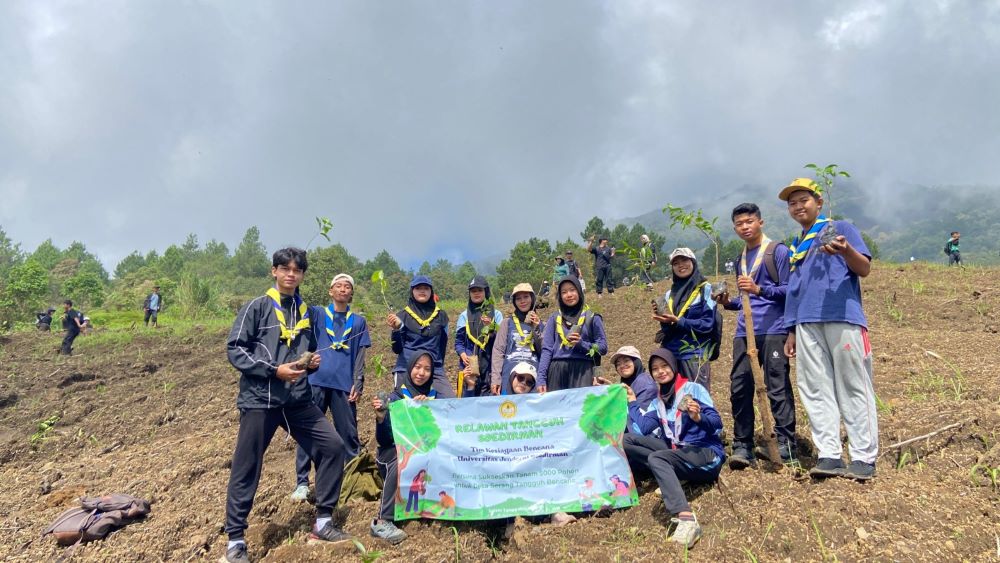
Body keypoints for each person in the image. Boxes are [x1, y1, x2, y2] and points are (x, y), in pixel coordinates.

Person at [222, 248, 351, 563]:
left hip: (296, 399)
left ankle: (323, 522)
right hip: (261, 399)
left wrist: (311, 363)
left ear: (302, 275)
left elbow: (306, 348)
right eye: (285, 269)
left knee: (333, 446)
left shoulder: (305, 310)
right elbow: (235, 349)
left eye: (297, 270)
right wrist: (273, 370)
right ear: (274, 271)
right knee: (247, 465)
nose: (291, 274)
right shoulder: (257, 307)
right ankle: (235, 541)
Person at [780, 178, 877, 481]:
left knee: (853, 384)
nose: (798, 207)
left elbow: (864, 268)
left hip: (842, 316)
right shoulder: (797, 245)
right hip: (806, 322)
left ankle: (863, 457)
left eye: (804, 200)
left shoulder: (841, 228)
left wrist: (846, 251)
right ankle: (829, 454)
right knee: (815, 387)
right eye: (792, 203)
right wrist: (791, 329)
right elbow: (795, 289)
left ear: (819, 202)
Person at [715, 203, 797, 467]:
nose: (745, 227)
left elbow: (790, 290)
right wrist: (728, 303)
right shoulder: (740, 258)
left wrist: (759, 289)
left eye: (749, 221)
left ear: (760, 222)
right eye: (739, 224)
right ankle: (743, 445)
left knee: (777, 386)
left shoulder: (778, 251)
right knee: (740, 387)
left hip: (774, 329)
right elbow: (746, 298)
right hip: (745, 331)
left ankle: (786, 444)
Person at [622, 348, 724, 549]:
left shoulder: (693, 390)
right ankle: (674, 474)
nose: (660, 371)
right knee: (627, 440)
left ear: (674, 366)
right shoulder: (658, 400)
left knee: (658, 458)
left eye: (664, 366)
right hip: (678, 452)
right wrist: (633, 401)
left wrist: (698, 418)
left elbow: (717, 423)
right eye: (655, 369)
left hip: (705, 454)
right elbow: (644, 428)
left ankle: (687, 520)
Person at [291, 273, 371, 501]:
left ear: (351, 293)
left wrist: (358, 383)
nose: (343, 289)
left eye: (347, 286)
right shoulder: (317, 314)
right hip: (316, 381)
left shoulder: (358, 321)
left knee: (349, 434)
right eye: (339, 286)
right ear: (330, 291)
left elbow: (360, 355)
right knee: (307, 431)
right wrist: (296, 275)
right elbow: (296, 302)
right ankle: (302, 482)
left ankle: (352, 481)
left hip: (344, 385)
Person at [370, 352, 439, 545]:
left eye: (427, 369)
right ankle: (383, 521)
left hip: (424, 452)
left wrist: (428, 410)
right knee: (402, 456)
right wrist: (381, 417)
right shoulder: (395, 398)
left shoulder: (435, 398)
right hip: (392, 453)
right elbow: (384, 440)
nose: (421, 373)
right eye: (417, 367)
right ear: (409, 369)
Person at [651, 248, 718, 390]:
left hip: (694, 355)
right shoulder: (669, 294)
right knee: (673, 398)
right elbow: (669, 330)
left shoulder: (705, 290)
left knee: (696, 397)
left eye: (684, 260)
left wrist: (679, 321)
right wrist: (664, 321)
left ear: (693, 262)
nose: (680, 265)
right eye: (675, 263)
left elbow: (707, 324)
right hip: (671, 357)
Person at [387, 275, 454, 398]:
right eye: (418, 288)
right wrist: (396, 329)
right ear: (412, 291)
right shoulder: (402, 316)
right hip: (406, 367)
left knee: (448, 401)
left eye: (426, 288)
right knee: (405, 404)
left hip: (433, 368)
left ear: (431, 292)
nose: (422, 291)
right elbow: (397, 349)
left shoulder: (441, 316)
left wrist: (437, 365)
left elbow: (442, 345)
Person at [537, 277, 607, 392]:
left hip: (583, 371)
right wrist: (541, 378)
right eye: (564, 292)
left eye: (572, 290)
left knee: (582, 403)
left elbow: (603, 347)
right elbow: (547, 350)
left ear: (579, 291)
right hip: (557, 372)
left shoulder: (592, 318)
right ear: (560, 296)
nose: (569, 295)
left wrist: (581, 344)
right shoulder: (554, 318)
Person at [490, 283, 544, 395]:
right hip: (509, 376)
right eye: (518, 298)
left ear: (532, 299)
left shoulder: (541, 324)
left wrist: (537, 328)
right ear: (514, 301)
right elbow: (498, 351)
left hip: (532, 380)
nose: (522, 301)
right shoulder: (507, 323)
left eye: (526, 297)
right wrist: (496, 379)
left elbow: (544, 351)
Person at [455, 276, 503, 397]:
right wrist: (462, 354)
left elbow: (501, 342)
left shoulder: (496, 315)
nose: (476, 293)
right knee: (467, 397)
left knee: (489, 401)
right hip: (469, 364)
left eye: (480, 290)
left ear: (486, 292)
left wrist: (491, 327)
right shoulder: (464, 316)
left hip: (489, 365)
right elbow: (459, 342)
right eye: (473, 291)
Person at [604, 346, 657, 411]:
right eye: (618, 364)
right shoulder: (628, 382)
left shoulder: (646, 384)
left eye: (626, 361)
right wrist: (613, 391)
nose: (622, 366)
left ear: (636, 362)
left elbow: (640, 414)